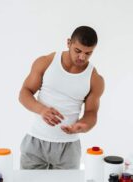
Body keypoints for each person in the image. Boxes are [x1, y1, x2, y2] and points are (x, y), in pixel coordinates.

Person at [19, 26, 104, 169]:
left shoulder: (95, 79)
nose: (82, 57)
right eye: (78, 51)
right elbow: (24, 93)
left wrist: (83, 125)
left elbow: (91, 113)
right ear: (69, 43)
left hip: (68, 148)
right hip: (35, 142)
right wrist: (42, 110)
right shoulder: (46, 62)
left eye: (88, 53)